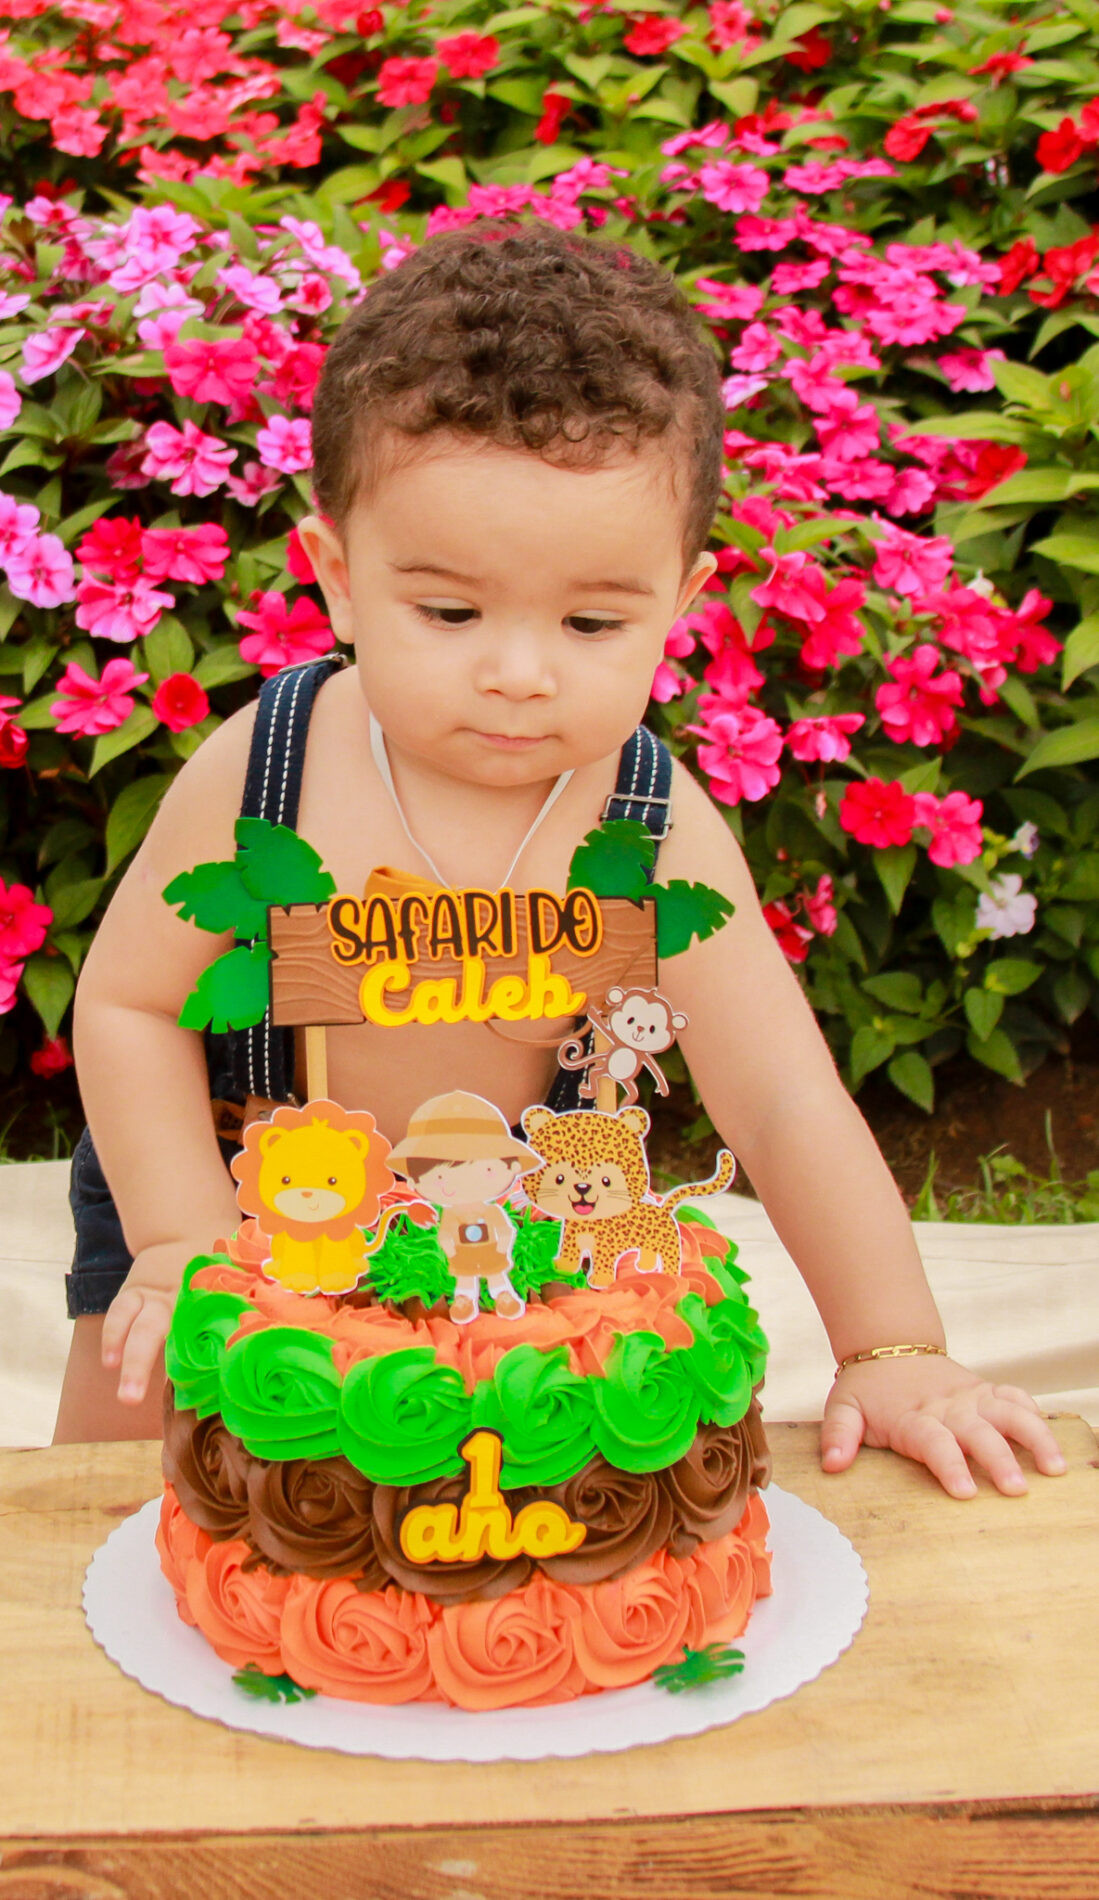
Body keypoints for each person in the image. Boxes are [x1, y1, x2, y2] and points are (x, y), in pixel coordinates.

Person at [55, 220, 1066, 1504]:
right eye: (450, 611)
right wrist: (180, 1242)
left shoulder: (648, 826)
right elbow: (132, 1001)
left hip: (511, 1211)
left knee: (486, 1504)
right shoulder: (274, 772)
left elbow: (779, 1100)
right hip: (222, 1169)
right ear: (339, 575)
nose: (519, 672)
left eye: (592, 621)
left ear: (680, 603)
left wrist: (894, 1344)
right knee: (117, 1496)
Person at [387, 1089, 543, 1323]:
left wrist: (503, 1248)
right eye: (440, 1177)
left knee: (497, 1276)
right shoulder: (451, 1215)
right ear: (413, 1181)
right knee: (466, 1281)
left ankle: (504, 1297)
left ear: (511, 1169)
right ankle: (465, 1302)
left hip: (491, 1252)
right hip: (463, 1256)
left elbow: (507, 1229)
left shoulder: (492, 1211)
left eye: (487, 1170)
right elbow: (445, 1236)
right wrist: (451, 1252)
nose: (464, 1181)